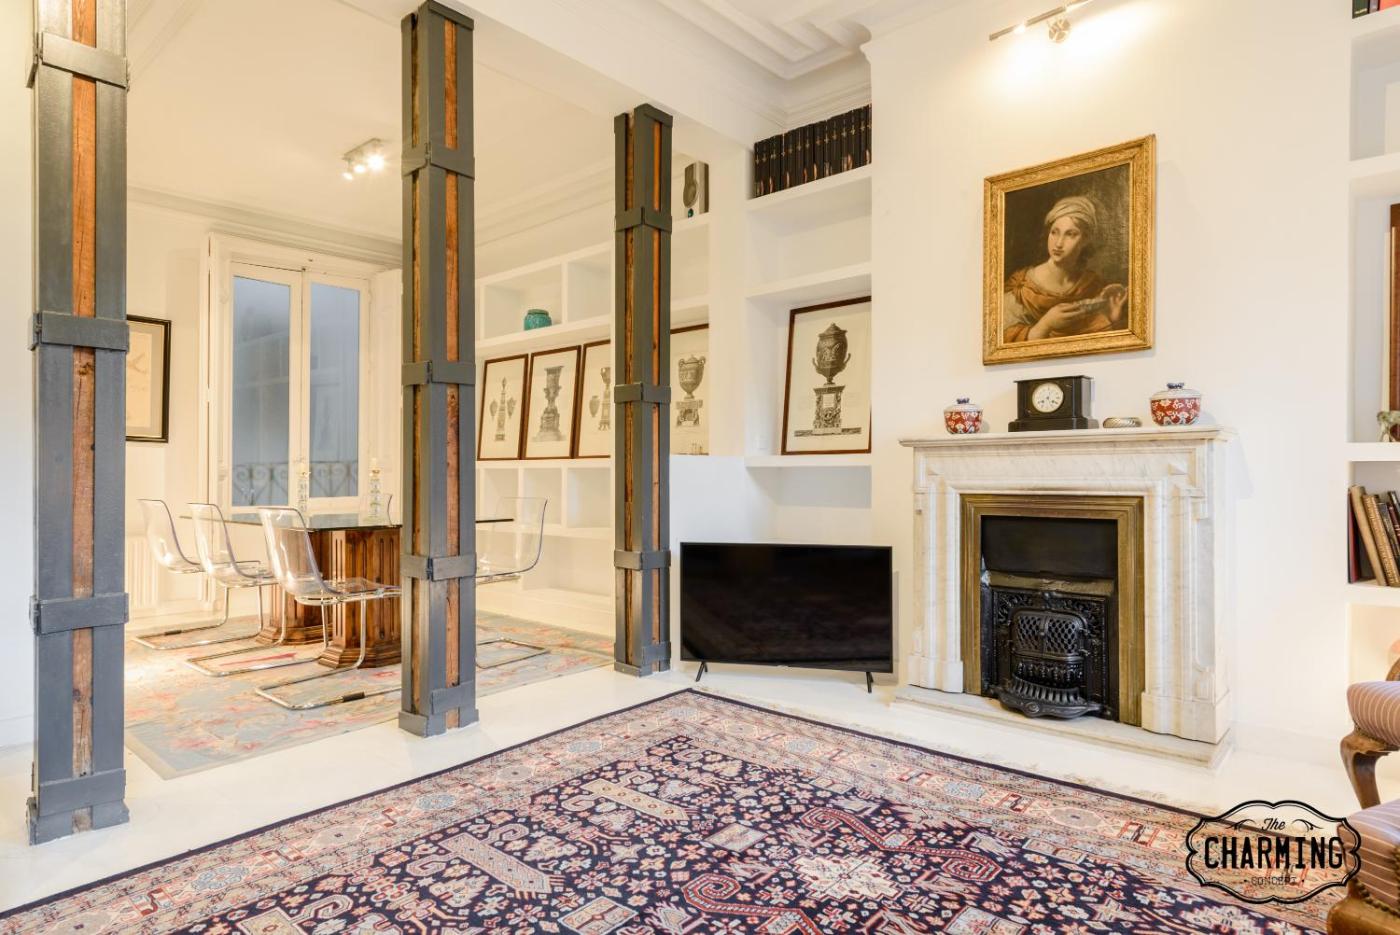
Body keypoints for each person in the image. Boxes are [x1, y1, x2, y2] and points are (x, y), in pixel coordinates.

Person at [1002, 195, 1127, 343]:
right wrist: (1045, 325)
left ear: (1085, 240)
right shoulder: (1021, 289)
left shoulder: (1093, 286)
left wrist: (1112, 318)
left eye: (1070, 234)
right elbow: (1000, 342)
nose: (1058, 243)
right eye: (1054, 232)